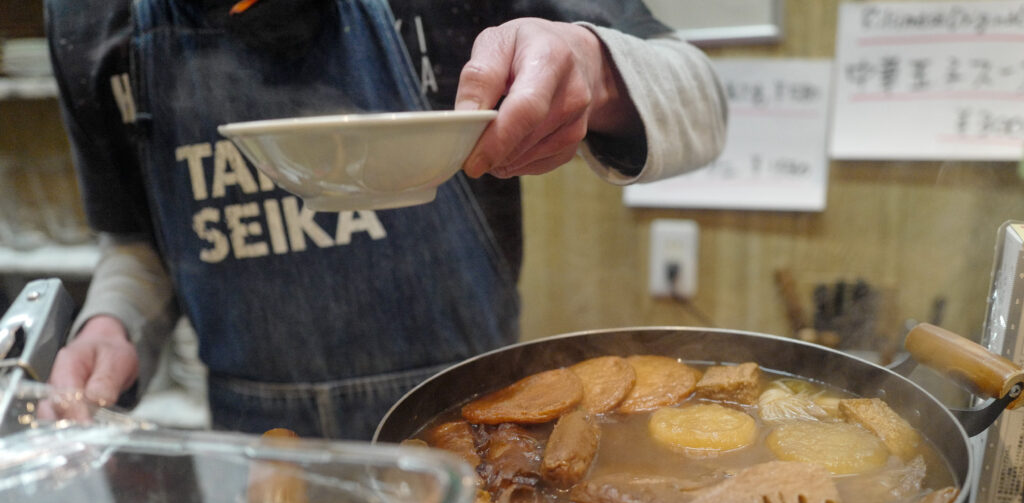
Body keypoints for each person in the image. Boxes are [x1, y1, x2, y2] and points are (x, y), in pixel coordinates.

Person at [44, 0, 727, 439]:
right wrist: (113, 325)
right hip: (264, 465)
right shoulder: (90, 21)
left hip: (476, 434)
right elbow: (138, 243)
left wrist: (592, 65)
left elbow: (704, 96)